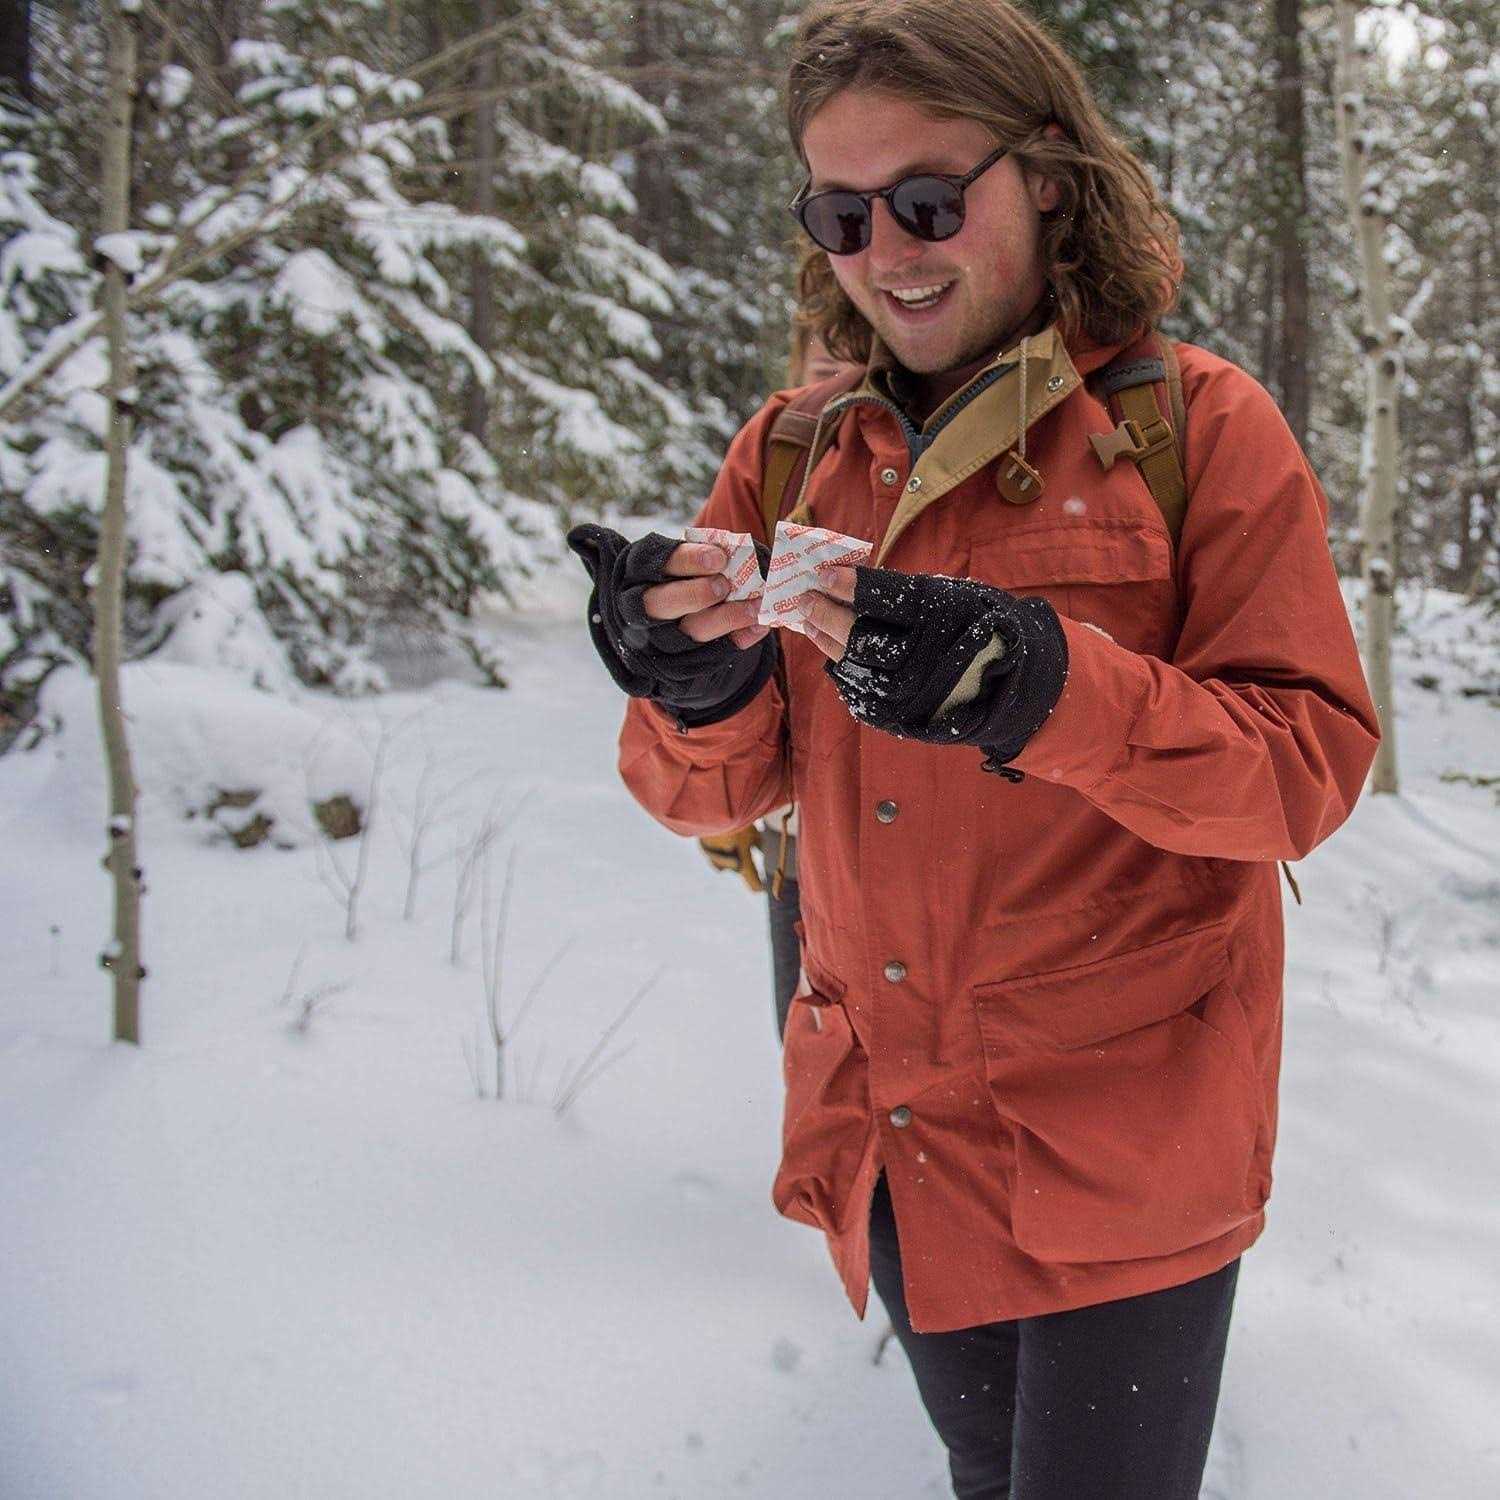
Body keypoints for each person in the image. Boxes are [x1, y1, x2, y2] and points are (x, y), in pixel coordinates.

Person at [566, 2, 1381, 1495]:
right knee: (984, 1476)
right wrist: (690, 684)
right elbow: (717, 789)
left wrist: (1042, 687)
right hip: (896, 1126)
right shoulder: (796, 451)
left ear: (1048, 179)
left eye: (929, 201)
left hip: (1124, 1147)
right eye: (842, 214)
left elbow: (1303, 769)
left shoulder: (1199, 428)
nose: (886, 251)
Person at [696, 323, 858, 1041]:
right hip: (794, 837)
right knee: (807, 1051)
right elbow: (736, 651)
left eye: (851, 361)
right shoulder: (777, 464)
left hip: (899, 838)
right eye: (819, 366)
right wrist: (727, 808)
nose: (834, 381)